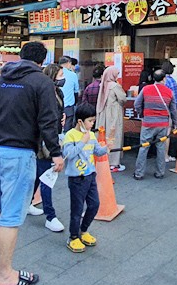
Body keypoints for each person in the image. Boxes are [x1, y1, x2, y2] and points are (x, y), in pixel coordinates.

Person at [0, 41, 64, 285]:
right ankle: (5, 274)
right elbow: (48, 121)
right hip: (19, 153)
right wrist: (56, 153)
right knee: (12, 215)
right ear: (42, 60)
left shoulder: (0, 80)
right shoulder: (42, 82)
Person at [63, 102, 107, 253]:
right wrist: (83, 141)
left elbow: (98, 152)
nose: (92, 124)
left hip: (90, 175)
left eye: (93, 120)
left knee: (94, 204)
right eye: (90, 121)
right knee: (77, 209)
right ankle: (73, 236)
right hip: (76, 178)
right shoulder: (70, 135)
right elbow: (68, 154)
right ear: (80, 121)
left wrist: (106, 147)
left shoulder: (92, 135)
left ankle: (84, 230)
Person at [27, 64, 65, 232]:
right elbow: (44, 119)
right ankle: (50, 216)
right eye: (61, 74)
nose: (64, 77)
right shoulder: (44, 92)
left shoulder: (58, 92)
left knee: (39, 175)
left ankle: (27, 203)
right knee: (47, 177)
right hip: (45, 141)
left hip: (52, 137)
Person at [133, 69, 177, 180]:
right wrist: (175, 124)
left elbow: (136, 104)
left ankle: (139, 173)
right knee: (161, 148)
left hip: (148, 123)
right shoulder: (169, 92)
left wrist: (142, 113)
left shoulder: (146, 89)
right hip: (163, 124)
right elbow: (173, 110)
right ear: (164, 79)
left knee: (143, 147)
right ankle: (160, 172)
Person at [96, 66, 126, 173]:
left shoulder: (103, 84)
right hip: (113, 114)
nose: (117, 76)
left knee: (104, 137)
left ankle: (103, 159)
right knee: (114, 137)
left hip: (103, 114)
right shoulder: (114, 86)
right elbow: (123, 98)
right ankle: (114, 163)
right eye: (116, 74)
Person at [59, 56, 80, 131]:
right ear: (69, 63)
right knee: (67, 129)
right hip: (68, 106)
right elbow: (76, 91)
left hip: (56, 105)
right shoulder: (73, 75)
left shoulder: (55, 72)